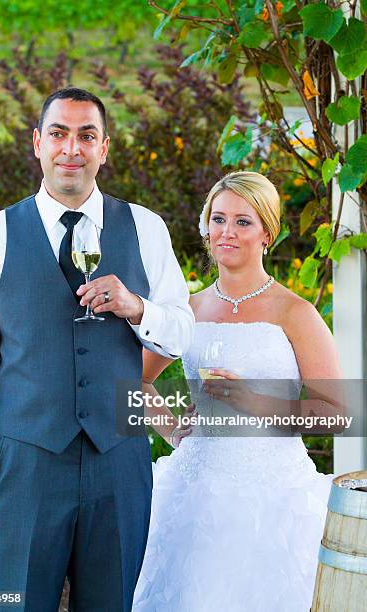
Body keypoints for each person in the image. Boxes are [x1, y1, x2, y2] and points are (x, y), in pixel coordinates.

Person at [0, 87, 194, 612]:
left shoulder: (146, 228)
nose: (72, 148)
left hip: (120, 460)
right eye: (59, 134)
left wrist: (136, 307)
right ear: (38, 143)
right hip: (29, 461)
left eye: (87, 135)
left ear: (104, 149)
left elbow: (182, 333)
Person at [132, 171, 343, 612]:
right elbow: (137, 380)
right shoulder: (187, 310)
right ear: (206, 227)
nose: (227, 232)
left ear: (268, 232)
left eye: (243, 222)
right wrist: (170, 431)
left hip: (272, 499)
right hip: (193, 495)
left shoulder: (295, 313)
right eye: (218, 219)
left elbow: (337, 413)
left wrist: (254, 402)